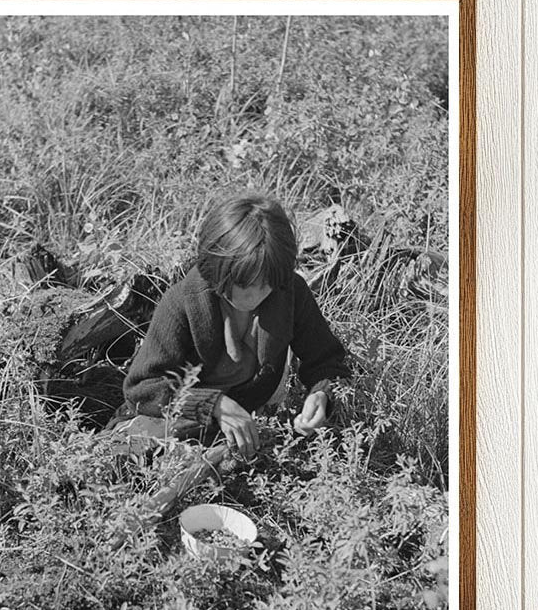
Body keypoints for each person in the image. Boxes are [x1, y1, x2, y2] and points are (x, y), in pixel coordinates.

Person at [104, 190, 352, 458]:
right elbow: (142, 388)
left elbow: (327, 361)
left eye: (266, 284)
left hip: (236, 430)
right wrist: (214, 405)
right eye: (245, 285)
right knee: (133, 460)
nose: (256, 296)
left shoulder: (289, 292)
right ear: (218, 272)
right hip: (161, 424)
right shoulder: (182, 302)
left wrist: (321, 395)